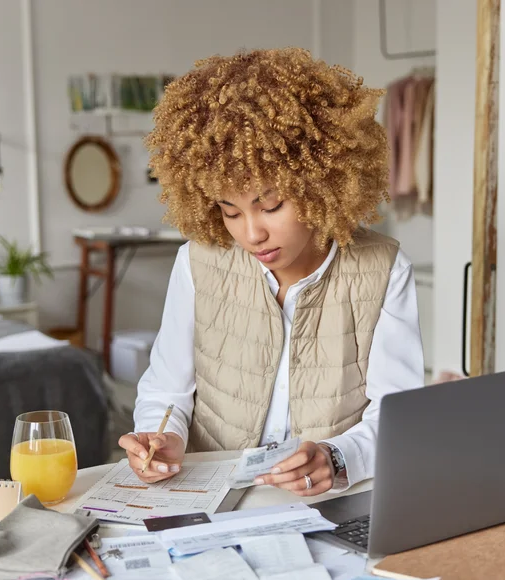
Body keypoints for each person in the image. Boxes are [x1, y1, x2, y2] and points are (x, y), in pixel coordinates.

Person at [120, 47, 438, 497]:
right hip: (213, 501)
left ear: (321, 183)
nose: (252, 234)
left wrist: (338, 457)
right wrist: (162, 437)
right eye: (230, 211)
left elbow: (397, 413)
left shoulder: (383, 269)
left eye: (271, 206)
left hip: (326, 504)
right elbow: (166, 389)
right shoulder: (199, 262)